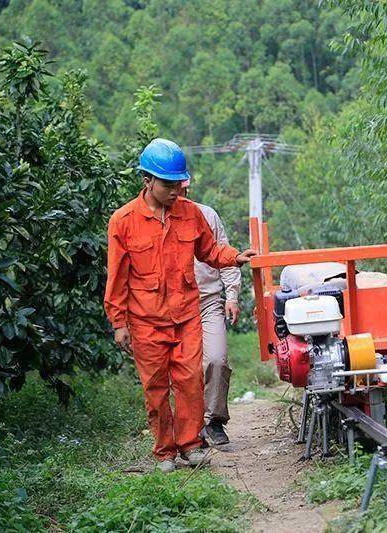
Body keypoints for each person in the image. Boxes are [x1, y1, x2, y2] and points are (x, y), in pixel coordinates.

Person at [104, 138, 257, 473]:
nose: (176, 191)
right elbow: (117, 276)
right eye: (168, 185)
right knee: (156, 388)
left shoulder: (190, 214)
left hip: (186, 314)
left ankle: (190, 445)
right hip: (145, 319)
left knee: (190, 380)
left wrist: (234, 257)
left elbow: (210, 251)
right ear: (147, 180)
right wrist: (119, 322)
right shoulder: (123, 221)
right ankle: (165, 452)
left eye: (178, 184)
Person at [179, 178, 239, 446]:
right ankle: (189, 429)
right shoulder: (156, 221)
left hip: (208, 301)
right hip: (174, 306)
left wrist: (232, 295)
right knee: (185, 369)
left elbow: (221, 253)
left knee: (216, 359)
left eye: (181, 186)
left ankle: (214, 421)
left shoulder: (206, 215)